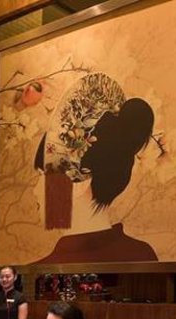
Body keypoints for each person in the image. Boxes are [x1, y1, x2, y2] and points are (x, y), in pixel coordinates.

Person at [33, 73, 159, 264]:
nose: (35, 191)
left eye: (44, 175)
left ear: (80, 182)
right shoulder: (142, 256)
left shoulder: (46, 269)